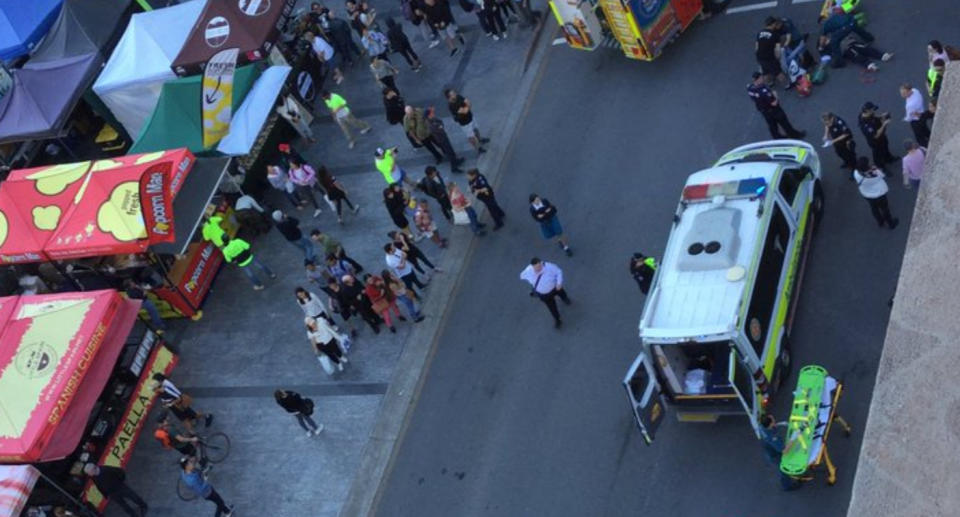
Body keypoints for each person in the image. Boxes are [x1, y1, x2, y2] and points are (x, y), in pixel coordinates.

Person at [747, 72, 806, 140]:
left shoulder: (750, 88)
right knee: (785, 123)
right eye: (761, 78)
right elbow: (774, 103)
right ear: (758, 79)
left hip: (764, 111)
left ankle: (777, 138)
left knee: (772, 126)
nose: (762, 79)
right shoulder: (764, 92)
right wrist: (775, 95)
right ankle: (794, 135)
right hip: (774, 110)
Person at [520, 257, 570, 329]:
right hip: (544, 294)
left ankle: (565, 298)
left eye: (540, 265)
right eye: (537, 267)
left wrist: (559, 283)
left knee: (561, 293)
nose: (539, 268)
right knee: (552, 307)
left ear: (541, 263)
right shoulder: (528, 271)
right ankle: (557, 319)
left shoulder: (549, 266)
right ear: (532, 266)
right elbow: (521, 276)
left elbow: (558, 271)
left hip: (555, 288)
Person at [83, 464, 148, 517]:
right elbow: (99, 486)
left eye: (89, 472)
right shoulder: (93, 477)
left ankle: (143, 506)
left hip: (119, 487)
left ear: (93, 469)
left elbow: (119, 471)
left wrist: (120, 482)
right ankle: (133, 515)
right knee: (123, 505)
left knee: (133, 496)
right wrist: (105, 494)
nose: (89, 474)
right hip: (112, 493)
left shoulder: (105, 469)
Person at [853, 156, 899, 229]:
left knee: (874, 208)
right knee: (884, 208)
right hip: (879, 194)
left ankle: (880, 221)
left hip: (866, 194)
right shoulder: (874, 173)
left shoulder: (856, 173)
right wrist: (875, 169)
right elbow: (882, 175)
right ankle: (891, 223)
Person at [759, 414, 801, 491]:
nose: (774, 420)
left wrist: (778, 424)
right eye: (773, 420)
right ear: (770, 424)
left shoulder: (762, 426)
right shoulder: (772, 438)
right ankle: (787, 486)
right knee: (784, 469)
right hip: (775, 455)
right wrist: (793, 438)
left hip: (770, 450)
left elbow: (769, 428)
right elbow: (784, 451)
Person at [445, 88, 489, 153]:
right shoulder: (452, 106)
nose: (455, 94)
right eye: (453, 94)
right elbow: (465, 110)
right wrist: (467, 106)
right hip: (465, 124)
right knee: (472, 137)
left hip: (470, 117)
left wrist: (467, 106)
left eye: (454, 93)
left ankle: (480, 139)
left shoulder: (458, 96)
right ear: (449, 97)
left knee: (476, 129)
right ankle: (478, 148)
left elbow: (469, 103)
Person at [858, 102, 898, 168]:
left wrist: (881, 116)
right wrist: (884, 124)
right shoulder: (865, 125)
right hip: (875, 141)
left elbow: (873, 116)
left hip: (882, 137)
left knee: (885, 146)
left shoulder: (866, 114)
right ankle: (881, 166)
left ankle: (889, 159)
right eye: (873, 109)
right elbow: (876, 135)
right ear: (868, 111)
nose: (874, 111)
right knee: (878, 153)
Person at [426, 107, 464, 172]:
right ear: (429, 115)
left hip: (444, 137)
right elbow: (440, 129)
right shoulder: (430, 124)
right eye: (432, 113)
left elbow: (441, 122)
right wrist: (440, 126)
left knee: (451, 150)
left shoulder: (433, 119)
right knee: (449, 152)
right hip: (441, 139)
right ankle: (454, 167)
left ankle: (456, 161)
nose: (433, 114)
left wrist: (440, 126)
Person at [755, 17, 786, 86]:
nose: (775, 25)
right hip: (770, 58)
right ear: (772, 24)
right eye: (775, 24)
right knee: (778, 72)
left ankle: (770, 83)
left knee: (765, 71)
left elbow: (756, 47)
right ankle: (786, 84)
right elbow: (777, 49)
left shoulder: (759, 33)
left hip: (760, 57)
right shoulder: (775, 35)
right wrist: (778, 58)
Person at [900, 83, 931, 147]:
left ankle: (926, 146)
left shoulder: (910, 105)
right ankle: (931, 137)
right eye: (901, 93)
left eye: (904, 93)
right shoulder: (915, 90)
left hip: (916, 121)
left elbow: (909, 117)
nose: (902, 95)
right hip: (922, 114)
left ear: (909, 91)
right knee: (925, 129)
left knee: (919, 137)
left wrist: (905, 119)